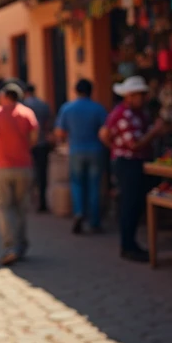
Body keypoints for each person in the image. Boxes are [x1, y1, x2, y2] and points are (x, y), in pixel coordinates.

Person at [99, 75, 164, 262]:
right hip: (128, 163)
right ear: (130, 96)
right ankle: (128, 245)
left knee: (135, 204)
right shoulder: (123, 114)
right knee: (129, 203)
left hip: (135, 161)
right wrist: (154, 132)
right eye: (140, 95)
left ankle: (131, 244)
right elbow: (134, 144)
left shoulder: (138, 113)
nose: (143, 99)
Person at [0, 83, 39, 265]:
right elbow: (34, 137)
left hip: (3, 166)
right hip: (24, 166)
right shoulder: (27, 113)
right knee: (21, 206)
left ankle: (10, 246)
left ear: (6, 96)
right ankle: (21, 244)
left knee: (4, 207)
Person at [54, 78, 108, 234]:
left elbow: (59, 132)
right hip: (95, 150)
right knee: (94, 186)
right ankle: (95, 221)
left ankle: (79, 212)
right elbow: (105, 132)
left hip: (76, 150)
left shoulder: (67, 108)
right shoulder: (98, 109)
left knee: (77, 184)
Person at [23, 84, 54, 213]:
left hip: (27, 145)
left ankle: (29, 200)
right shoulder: (44, 105)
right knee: (42, 174)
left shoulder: (23, 107)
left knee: (28, 173)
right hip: (42, 144)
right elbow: (50, 124)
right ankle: (42, 200)